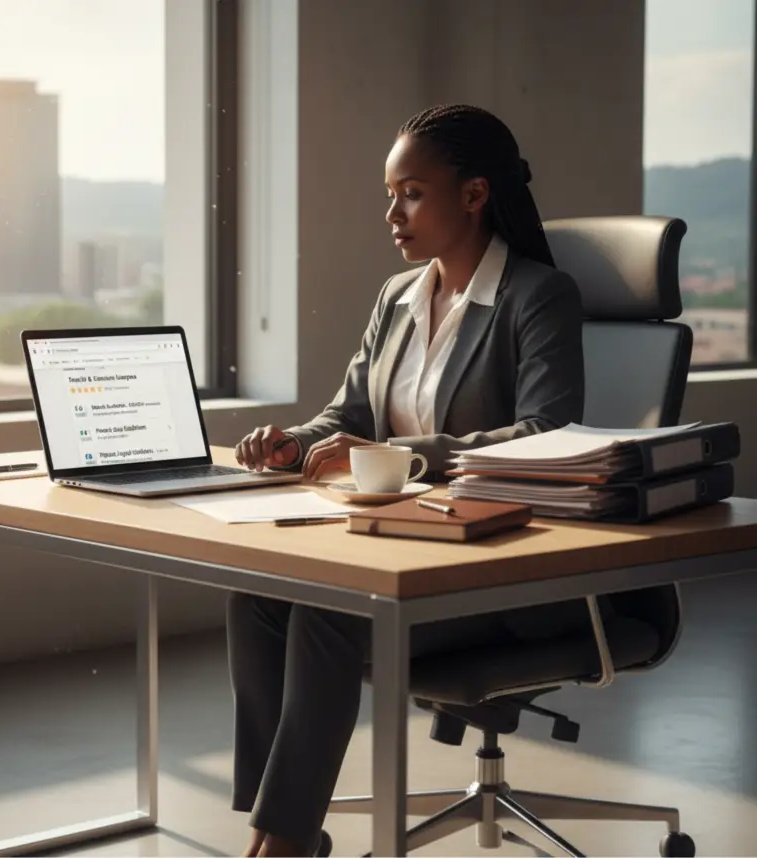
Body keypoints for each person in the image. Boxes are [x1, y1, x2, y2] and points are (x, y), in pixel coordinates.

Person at [228, 104, 592, 857]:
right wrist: (293, 443)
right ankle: (282, 826)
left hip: (503, 570)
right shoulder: (397, 295)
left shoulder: (537, 297)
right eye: (391, 195)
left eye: (413, 194)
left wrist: (404, 456)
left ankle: (282, 846)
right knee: (258, 596)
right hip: (406, 546)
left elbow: (547, 433)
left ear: (474, 194)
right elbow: (350, 414)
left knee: (328, 613)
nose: (393, 214)